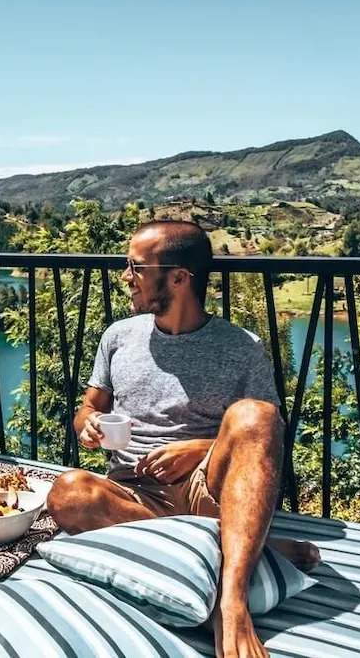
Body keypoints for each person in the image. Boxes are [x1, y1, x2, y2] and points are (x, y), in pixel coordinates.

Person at [46, 220, 321, 658]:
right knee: (67, 492)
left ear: (178, 277)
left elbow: (265, 434)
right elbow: (88, 406)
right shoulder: (118, 337)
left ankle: (231, 604)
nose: (126, 277)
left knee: (257, 413)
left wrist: (201, 449)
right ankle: (252, 548)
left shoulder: (240, 347)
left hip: (208, 490)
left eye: (136, 267)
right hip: (134, 493)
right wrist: (89, 423)